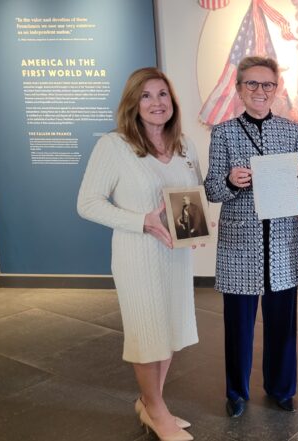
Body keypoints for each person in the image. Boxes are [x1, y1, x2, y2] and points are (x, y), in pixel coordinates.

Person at [77, 67, 201, 441]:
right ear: (133, 102)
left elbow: (192, 194)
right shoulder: (114, 146)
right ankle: (157, 412)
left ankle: (150, 403)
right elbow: (87, 203)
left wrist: (196, 226)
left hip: (175, 256)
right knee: (148, 333)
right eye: (146, 95)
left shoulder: (184, 145)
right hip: (138, 256)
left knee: (169, 330)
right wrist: (141, 221)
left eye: (162, 94)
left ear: (172, 100)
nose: (156, 102)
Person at [203, 56, 298, 418]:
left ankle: (281, 388)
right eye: (251, 83)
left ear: (276, 89)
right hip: (240, 244)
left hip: (282, 241)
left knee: (283, 324)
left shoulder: (291, 131)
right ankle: (236, 392)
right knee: (238, 326)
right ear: (239, 89)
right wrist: (229, 181)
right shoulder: (223, 133)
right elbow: (211, 189)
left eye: (267, 84)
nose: (260, 91)